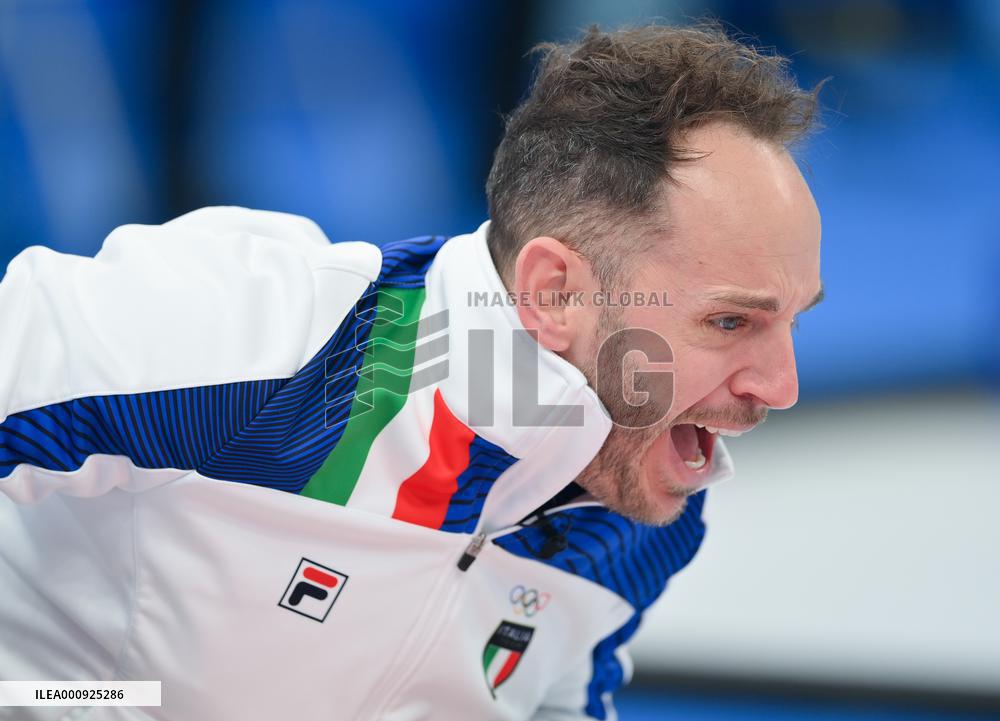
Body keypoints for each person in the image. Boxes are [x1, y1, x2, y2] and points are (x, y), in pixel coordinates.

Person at [0, 22, 823, 721]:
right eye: (729, 321)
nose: (780, 385)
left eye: (793, 319)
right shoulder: (261, 335)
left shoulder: (641, 516)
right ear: (555, 290)